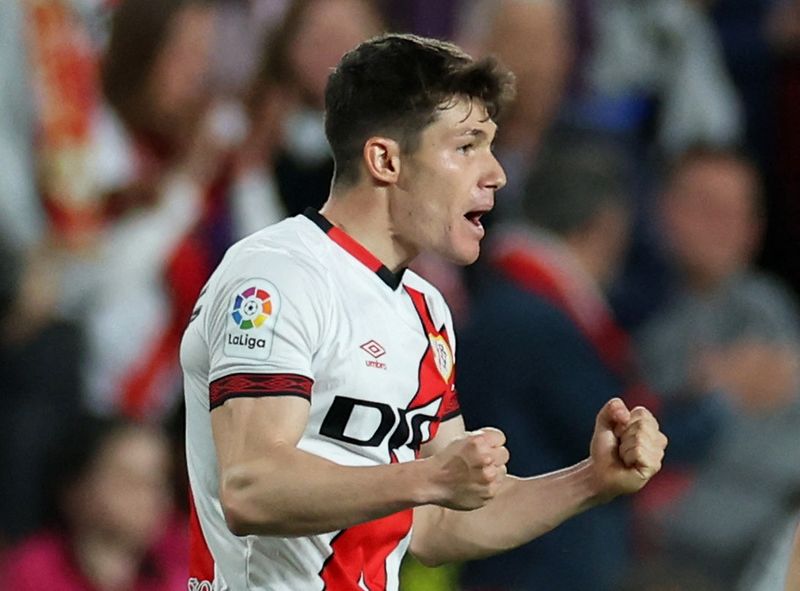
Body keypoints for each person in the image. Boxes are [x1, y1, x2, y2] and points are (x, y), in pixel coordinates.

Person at [181, 33, 668, 590]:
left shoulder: (424, 309)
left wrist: (591, 481)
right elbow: (251, 488)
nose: (496, 173)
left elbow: (439, 525)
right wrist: (426, 476)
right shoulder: (277, 276)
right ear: (386, 159)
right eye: (466, 147)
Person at [0, 414, 185, 591]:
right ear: (75, 488)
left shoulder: (185, 564)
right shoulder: (30, 573)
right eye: (129, 480)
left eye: (160, 480)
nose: (151, 495)